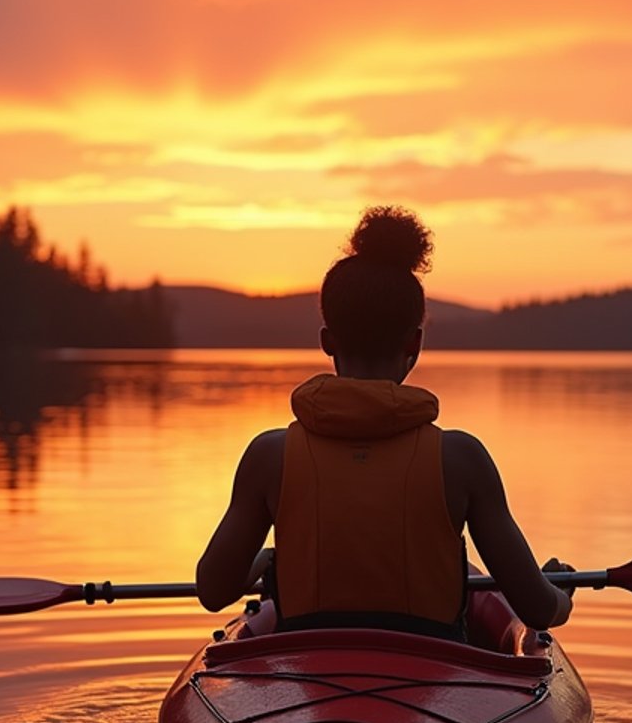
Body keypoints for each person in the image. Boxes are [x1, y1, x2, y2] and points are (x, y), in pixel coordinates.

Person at [196, 206, 574, 636]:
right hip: (431, 683)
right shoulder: (461, 458)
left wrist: (265, 560)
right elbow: (538, 610)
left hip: (306, 680)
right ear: (416, 342)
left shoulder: (270, 455)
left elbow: (213, 588)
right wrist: (562, 594)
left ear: (326, 341)